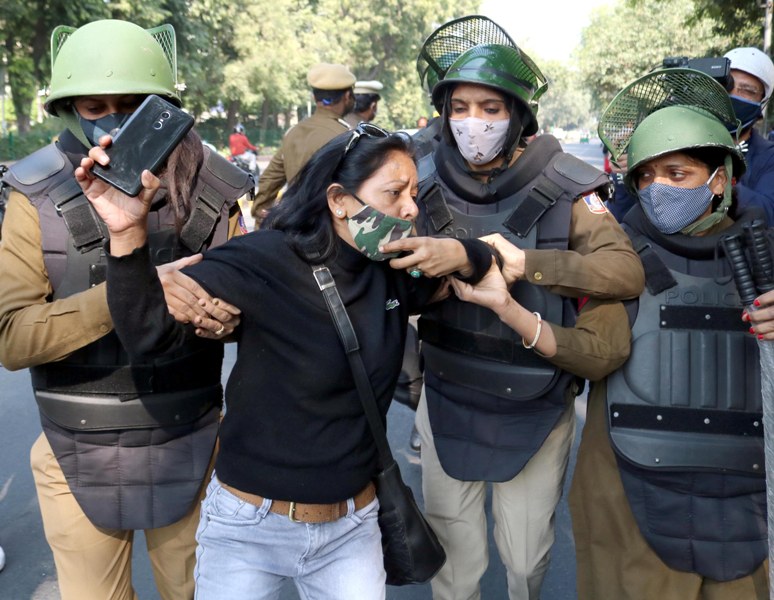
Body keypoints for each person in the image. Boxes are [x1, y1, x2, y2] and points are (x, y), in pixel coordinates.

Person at [75, 124, 493, 599]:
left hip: (352, 530)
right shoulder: (265, 260)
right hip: (247, 527)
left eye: (414, 192)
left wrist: (461, 250)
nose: (411, 208)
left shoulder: (396, 269)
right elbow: (149, 336)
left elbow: (476, 265)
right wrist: (127, 234)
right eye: (395, 192)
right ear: (338, 200)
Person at [0, 19, 252, 600]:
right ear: (69, 108)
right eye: (95, 104)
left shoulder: (211, 186)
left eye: (132, 103)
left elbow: (245, 305)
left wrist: (225, 314)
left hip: (193, 436)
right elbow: (12, 339)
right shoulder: (34, 194)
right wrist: (134, 290)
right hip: (75, 445)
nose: (112, 118)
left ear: (161, 108)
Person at [412, 38, 645, 600]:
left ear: (517, 116)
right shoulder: (419, 175)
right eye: (460, 108)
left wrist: (529, 265)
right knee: (454, 562)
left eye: (490, 109)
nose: (474, 123)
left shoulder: (568, 183)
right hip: (446, 390)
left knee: (525, 559)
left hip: (536, 398)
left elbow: (624, 272)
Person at [571, 67, 769, 599]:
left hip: (743, 492)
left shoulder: (764, 254)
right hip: (629, 480)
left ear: (720, 179)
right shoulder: (610, 252)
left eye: (677, 174)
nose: (658, 190)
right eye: (645, 177)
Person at [251, 63, 355, 225]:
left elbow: (270, 178)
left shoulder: (293, 133)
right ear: (348, 96)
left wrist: (259, 211)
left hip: (297, 227)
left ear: (315, 98)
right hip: (333, 230)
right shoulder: (347, 137)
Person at [724, 47, 774, 225]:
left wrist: (720, 185)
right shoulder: (686, 140)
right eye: (727, 85)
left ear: (762, 103)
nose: (733, 95)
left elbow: (767, 211)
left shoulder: (769, 156)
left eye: (747, 91)